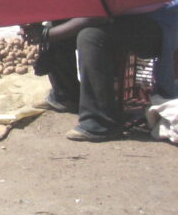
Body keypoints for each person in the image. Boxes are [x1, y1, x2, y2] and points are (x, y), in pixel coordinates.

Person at [26, 11, 166, 141]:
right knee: (59, 23)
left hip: (154, 23)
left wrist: (46, 34)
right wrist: (31, 23)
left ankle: (101, 123)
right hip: (112, 17)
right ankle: (66, 96)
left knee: (91, 36)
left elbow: (95, 17)